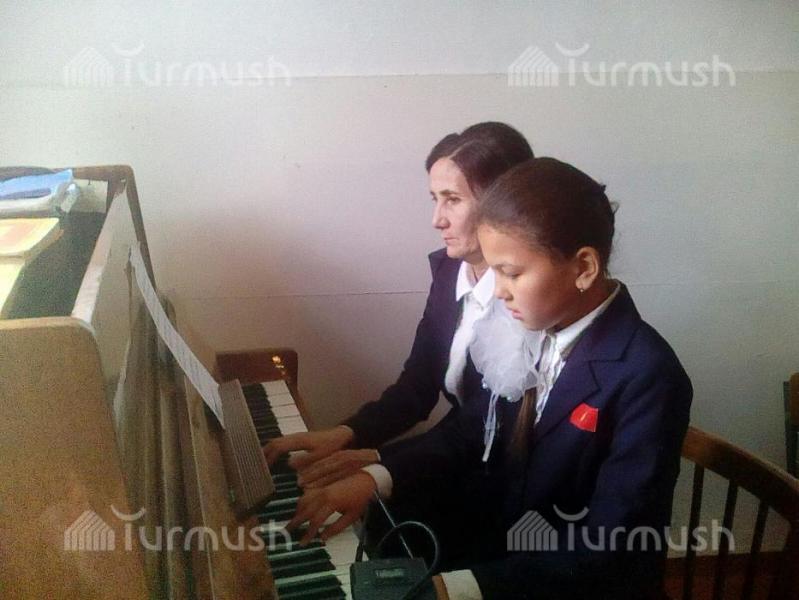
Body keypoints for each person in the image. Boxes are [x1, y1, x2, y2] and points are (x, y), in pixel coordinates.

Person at [287, 157, 693, 600]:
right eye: (494, 270)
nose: (499, 291)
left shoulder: (647, 376)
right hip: (506, 553)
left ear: (584, 268)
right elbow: (474, 428)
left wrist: (456, 587)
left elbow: (612, 548)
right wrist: (375, 477)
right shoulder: (537, 321)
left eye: (511, 272)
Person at [263, 122, 534, 490]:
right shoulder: (450, 271)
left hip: (509, 476)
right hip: (457, 453)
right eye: (435, 199)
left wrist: (380, 465)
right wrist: (347, 434)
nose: (437, 219)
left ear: (503, 203)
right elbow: (418, 385)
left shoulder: (529, 296)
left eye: (453, 199)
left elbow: (489, 425)